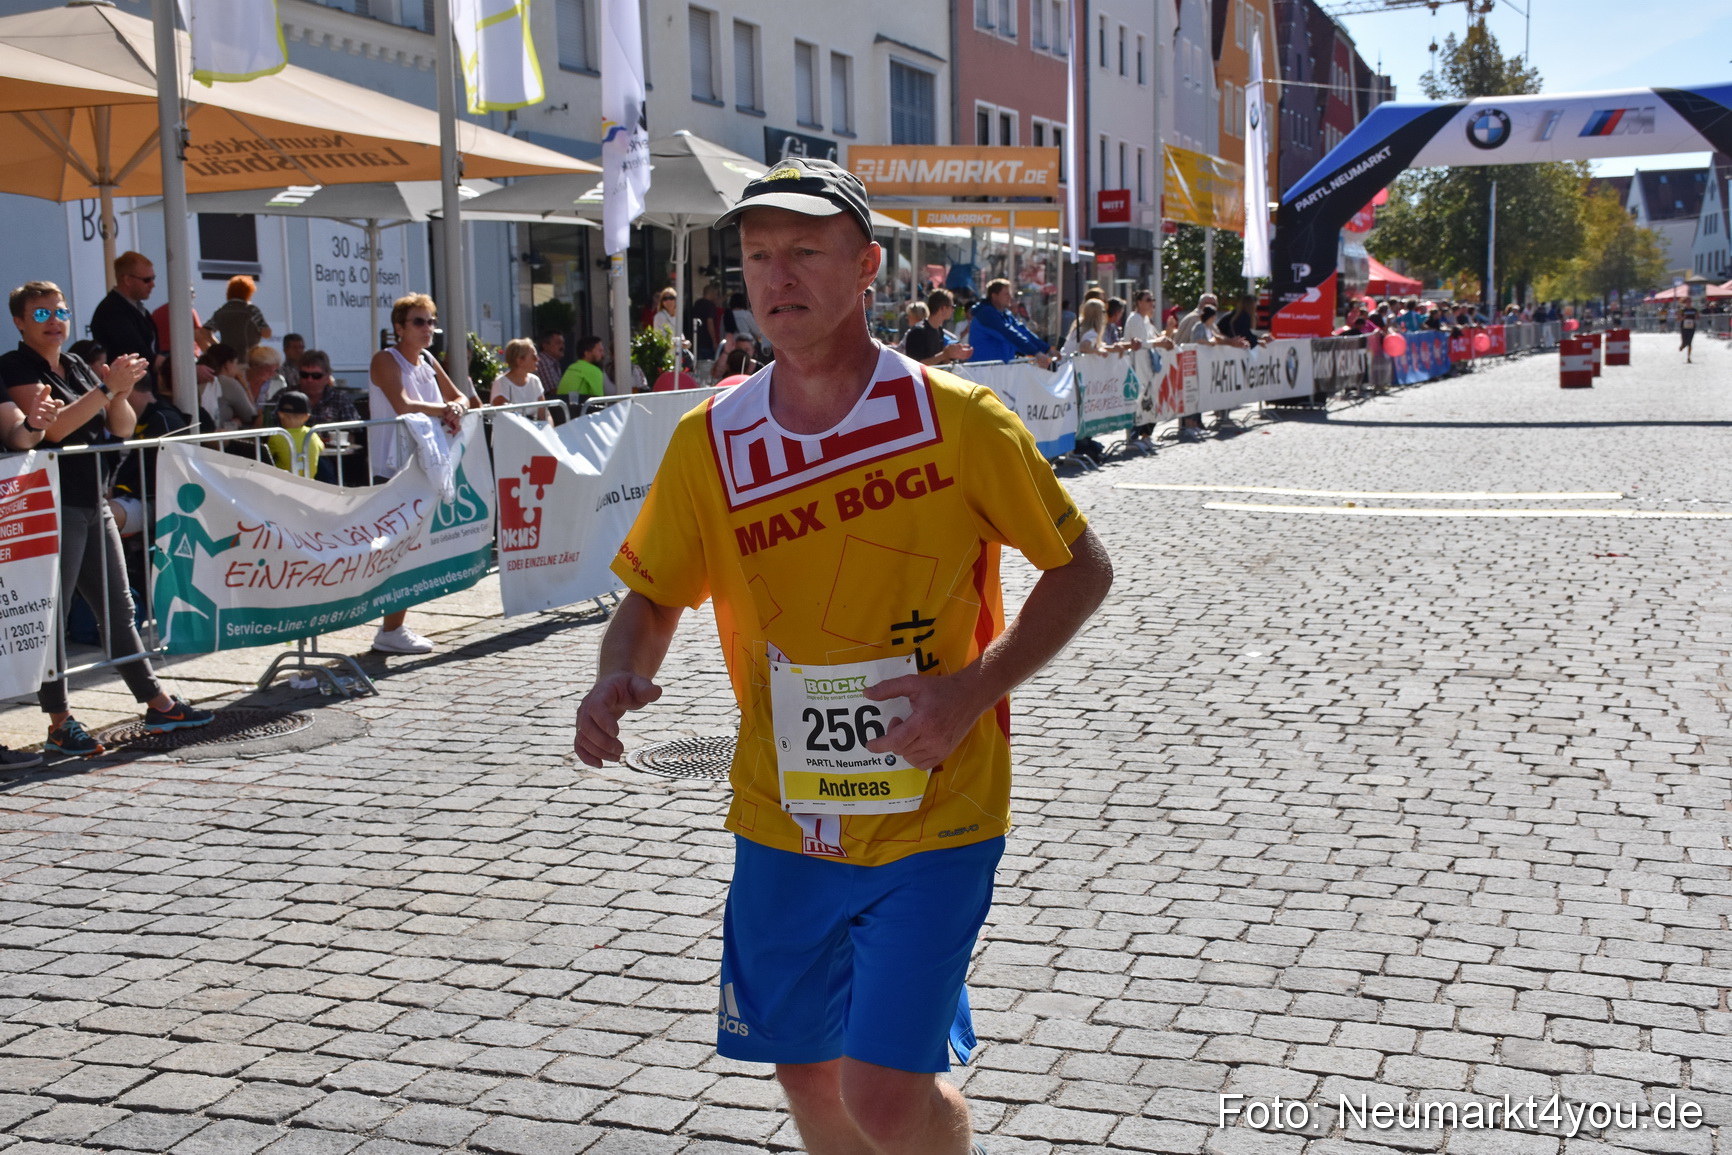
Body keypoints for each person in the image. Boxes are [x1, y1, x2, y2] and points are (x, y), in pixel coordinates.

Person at [574, 155, 1112, 1155]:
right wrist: (617, 666)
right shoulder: (712, 436)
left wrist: (971, 689)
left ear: (868, 266)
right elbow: (652, 597)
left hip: (933, 811)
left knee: (885, 1095)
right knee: (808, 1076)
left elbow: (1080, 568)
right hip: (782, 821)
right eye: (758, 256)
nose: (776, 278)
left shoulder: (961, 419)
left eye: (805, 253)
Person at [1, 281, 213, 757]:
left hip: (92, 498)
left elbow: (118, 427)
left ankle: (156, 701)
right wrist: (104, 388)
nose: (54, 321)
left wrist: (116, 393)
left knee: (120, 609)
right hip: (50, 507)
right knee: (51, 617)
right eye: (41, 315)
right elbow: (51, 429)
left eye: (60, 311)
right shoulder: (14, 367)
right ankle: (60, 721)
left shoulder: (74, 364)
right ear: (19, 321)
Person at [367, 293, 474, 655]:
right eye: (419, 321)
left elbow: (461, 396)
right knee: (396, 550)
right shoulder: (385, 359)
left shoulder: (427, 359)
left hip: (424, 466)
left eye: (431, 321)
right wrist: (445, 409)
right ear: (399, 327)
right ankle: (389, 628)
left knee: (410, 550)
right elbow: (403, 404)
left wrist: (455, 407)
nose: (428, 328)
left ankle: (393, 627)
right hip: (391, 468)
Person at [88, 251, 161, 391]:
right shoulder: (111, 310)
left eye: (153, 278)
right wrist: (167, 364)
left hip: (143, 387)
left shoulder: (138, 309)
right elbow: (135, 351)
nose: (153, 285)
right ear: (127, 280)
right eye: (147, 280)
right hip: (128, 392)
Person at [967, 278, 1051, 365]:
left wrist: (1047, 349)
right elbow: (1008, 333)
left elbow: (1022, 331)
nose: (1010, 297)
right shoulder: (986, 314)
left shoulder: (1005, 314)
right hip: (983, 371)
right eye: (1006, 294)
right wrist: (1036, 352)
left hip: (999, 370)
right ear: (994, 296)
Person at [200, 275, 271, 354]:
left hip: (228, 359)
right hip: (249, 357)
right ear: (249, 292)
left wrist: (220, 347)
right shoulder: (251, 310)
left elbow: (204, 331)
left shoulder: (221, 311)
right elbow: (266, 333)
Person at [902, 288, 972, 367]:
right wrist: (944, 355)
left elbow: (938, 361)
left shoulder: (939, 330)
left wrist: (952, 356)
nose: (953, 310)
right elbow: (916, 365)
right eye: (952, 306)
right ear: (943, 308)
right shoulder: (917, 332)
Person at [197, 343, 257, 433]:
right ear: (228, 364)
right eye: (236, 363)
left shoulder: (199, 378)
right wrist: (245, 386)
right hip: (216, 438)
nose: (237, 368)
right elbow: (251, 416)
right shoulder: (228, 383)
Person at [263, 390, 323, 478]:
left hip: (284, 483)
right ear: (307, 417)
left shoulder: (277, 435)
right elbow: (321, 447)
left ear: (280, 414)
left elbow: (266, 457)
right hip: (309, 484)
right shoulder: (312, 434)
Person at [492, 337, 548, 421]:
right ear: (520, 361)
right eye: (534, 357)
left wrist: (548, 430)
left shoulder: (535, 381)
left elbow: (545, 414)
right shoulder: (501, 383)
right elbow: (503, 419)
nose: (538, 359)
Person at [151, 283, 205, 359]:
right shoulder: (189, 312)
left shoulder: (157, 312)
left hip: (162, 358)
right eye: (192, 292)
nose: (194, 296)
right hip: (187, 356)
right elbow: (199, 337)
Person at [558, 335, 608, 401]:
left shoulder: (571, 367)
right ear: (587, 353)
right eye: (600, 351)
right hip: (580, 409)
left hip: (562, 409)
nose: (603, 354)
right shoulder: (594, 371)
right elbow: (599, 400)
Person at [691, 283, 723, 363]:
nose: (716, 296)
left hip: (697, 340)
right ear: (711, 293)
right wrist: (714, 341)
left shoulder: (697, 303)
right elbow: (710, 323)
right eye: (716, 294)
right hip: (707, 342)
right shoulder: (710, 305)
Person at [535, 331, 566, 396]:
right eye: (558, 343)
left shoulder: (554, 362)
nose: (562, 346)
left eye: (563, 343)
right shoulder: (542, 361)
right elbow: (552, 392)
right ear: (545, 346)